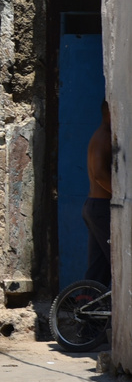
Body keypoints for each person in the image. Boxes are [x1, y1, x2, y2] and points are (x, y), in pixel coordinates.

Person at [84, 100, 113, 286]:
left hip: (96, 207)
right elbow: (99, 174)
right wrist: (119, 195)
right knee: (117, 259)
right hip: (101, 207)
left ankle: (88, 308)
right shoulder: (103, 137)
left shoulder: (105, 135)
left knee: (99, 266)